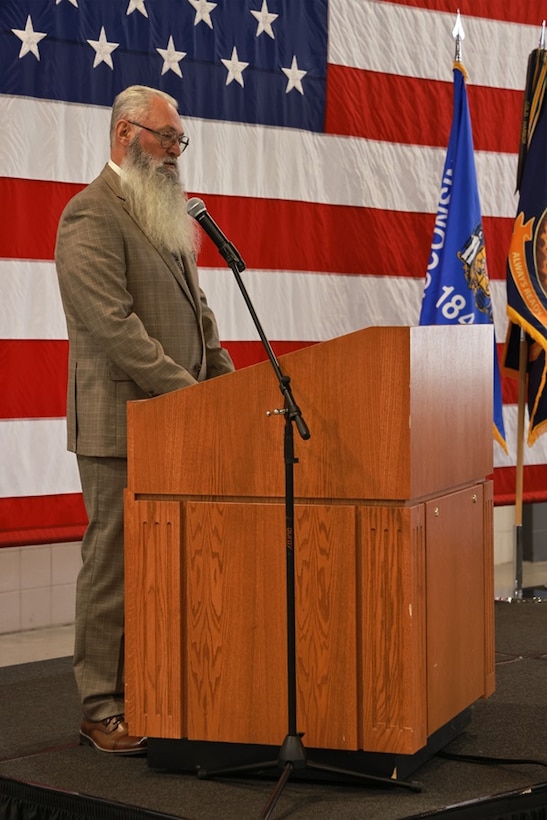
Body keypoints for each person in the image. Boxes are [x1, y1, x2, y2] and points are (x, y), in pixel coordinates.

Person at [55, 85, 234, 754]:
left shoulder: (165, 212)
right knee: (114, 564)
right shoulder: (89, 216)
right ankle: (101, 707)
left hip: (176, 419)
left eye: (179, 141)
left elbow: (199, 316)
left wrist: (230, 389)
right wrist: (189, 393)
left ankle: (154, 690)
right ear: (127, 134)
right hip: (120, 425)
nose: (175, 152)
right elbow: (113, 327)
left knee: (166, 563)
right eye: (167, 138)